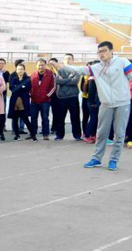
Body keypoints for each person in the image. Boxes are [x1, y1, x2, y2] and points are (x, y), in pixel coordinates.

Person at [51, 42, 132, 171]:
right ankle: (96, 158)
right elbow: (78, 70)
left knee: (119, 134)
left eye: (104, 51)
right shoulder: (96, 67)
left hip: (122, 103)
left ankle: (113, 160)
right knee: (101, 133)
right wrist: (62, 66)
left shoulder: (123, 62)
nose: (101, 54)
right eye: (99, 52)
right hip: (105, 104)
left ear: (112, 51)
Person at [53, 53, 82, 141]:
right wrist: (69, 79)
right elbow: (58, 81)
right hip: (62, 97)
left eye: (69, 58)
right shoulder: (60, 70)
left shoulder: (76, 70)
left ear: (73, 60)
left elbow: (75, 82)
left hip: (73, 96)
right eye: (66, 59)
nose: (68, 60)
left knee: (75, 117)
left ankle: (77, 135)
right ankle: (59, 135)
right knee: (60, 117)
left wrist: (64, 80)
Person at [8, 63, 36, 141]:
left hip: (23, 102)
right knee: (15, 119)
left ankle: (33, 135)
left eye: (21, 69)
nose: (20, 71)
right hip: (15, 102)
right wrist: (21, 87)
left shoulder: (28, 79)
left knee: (25, 119)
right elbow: (11, 88)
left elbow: (28, 88)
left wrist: (18, 87)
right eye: (18, 69)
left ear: (24, 70)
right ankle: (17, 135)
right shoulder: (14, 79)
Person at [29, 58, 55, 140]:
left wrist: (47, 95)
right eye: (39, 65)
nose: (40, 67)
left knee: (45, 118)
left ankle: (45, 134)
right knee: (33, 118)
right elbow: (29, 87)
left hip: (45, 101)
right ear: (36, 66)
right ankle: (33, 134)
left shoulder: (50, 74)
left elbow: (53, 86)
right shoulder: (32, 75)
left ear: (45, 65)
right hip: (34, 101)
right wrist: (31, 95)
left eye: (42, 65)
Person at [83, 62, 100, 143]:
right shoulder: (93, 78)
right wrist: (94, 103)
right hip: (93, 102)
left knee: (95, 119)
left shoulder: (94, 77)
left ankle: (93, 135)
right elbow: (93, 92)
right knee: (93, 119)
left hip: (94, 101)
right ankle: (87, 135)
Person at [9, 58, 28, 133]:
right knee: (15, 114)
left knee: (23, 113)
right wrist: (21, 87)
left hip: (24, 97)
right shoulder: (12, 75)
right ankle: (14, 129)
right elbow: (11, 87)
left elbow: (27, 86)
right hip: (15, 97)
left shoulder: (25, 75)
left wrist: (21, 87)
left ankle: (21, 128)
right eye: (23, 63)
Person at [0, 57, 10, 132]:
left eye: (3, 63)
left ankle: (3, 126)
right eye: (0, 63)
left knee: (2, 110)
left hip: (2, 94)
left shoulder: (6, 73)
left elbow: (9, 81)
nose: (1, 65)